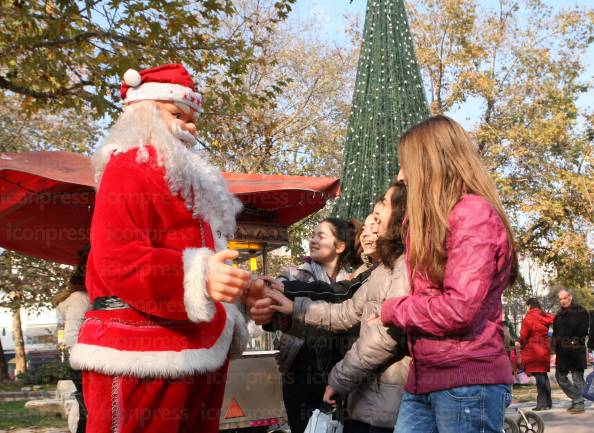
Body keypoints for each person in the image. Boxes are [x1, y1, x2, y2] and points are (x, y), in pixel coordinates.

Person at [68, 64, 271, 433]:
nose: (190, 127)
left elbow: (204, 263)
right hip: (140, 354)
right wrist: (203, 276)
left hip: (195, 349)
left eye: (194, 119)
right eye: (178, 114)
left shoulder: (184, 180)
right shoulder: (127, 165)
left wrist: (239, 289)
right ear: (143, 110)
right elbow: (119, 258)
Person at [380, 115, 517, 433]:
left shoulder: (473, 215)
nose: (400, 176)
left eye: (406, 164)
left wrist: (392, 310)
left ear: (429, 163)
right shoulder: (431, 221)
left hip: (467, 381)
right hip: (426, 378)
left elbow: (459, 309)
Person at [267, 181, 410, 433]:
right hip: (345, 391)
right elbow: (344, 310)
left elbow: (379, 334)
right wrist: (287, 306)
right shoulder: (377, 271)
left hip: (375, 401)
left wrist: (338, 378)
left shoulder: (394, 268)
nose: (368, 232)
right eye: (366, 225)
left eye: (377, 219)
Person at [274, 218, 361, 433]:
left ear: (340, 246)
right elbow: (274, 318)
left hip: (336, 378)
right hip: (300, 376)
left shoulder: (350, 283)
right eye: (312, 235)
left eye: (320, 236)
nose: (312, 240)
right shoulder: (292, 276)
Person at [52, 246, 90, 433]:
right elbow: (72, 334)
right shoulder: (79, 299)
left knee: (86, 406)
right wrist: (81, 364)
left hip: (84, 359)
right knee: (86, 408)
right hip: (83, 362)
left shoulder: (82, 297)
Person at [552, 287, 590, 414]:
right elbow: (555, 333)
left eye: (565, 298)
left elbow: (584, 330)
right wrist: (553, 350)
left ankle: (579, 404)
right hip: (562, 352)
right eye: (561, 299)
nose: (563, 301)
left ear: (570, 297)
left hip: (575, 350)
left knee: (577, 377)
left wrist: (574, 340)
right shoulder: (558, 314)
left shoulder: (580, 311)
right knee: (560, 376)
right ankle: (577, 398)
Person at [519, 298, 554, 410]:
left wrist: (521, 343)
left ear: (529, 305)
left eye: (526, 306)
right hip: (544, 347)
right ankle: (548, 402)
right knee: (543, 375)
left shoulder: (529, 317)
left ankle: (542, 403)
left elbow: (524, 335)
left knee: (539, 377)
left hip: (534, 349)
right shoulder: (545, 315)